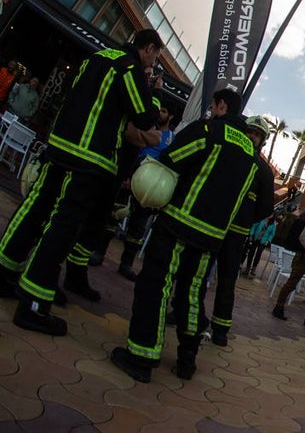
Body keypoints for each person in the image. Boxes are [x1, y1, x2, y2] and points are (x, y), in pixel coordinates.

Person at [0, 31, 162, 336]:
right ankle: (33, 301)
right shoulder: (129, 67)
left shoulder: (97, 57)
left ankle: (5, 271)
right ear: (148, 48)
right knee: (63, 224)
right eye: (155, 56)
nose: (153, 63)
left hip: (60, 144)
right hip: (90, 157)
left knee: (35, 207)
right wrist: (152, 92)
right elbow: (144, 116)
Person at [109, 87, 259, 383]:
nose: (211, 110)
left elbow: (172, 158)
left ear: (221, 105)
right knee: (191, 294)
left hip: (180, 222)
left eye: (213, 106)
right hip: (213, 236)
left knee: (156, 284)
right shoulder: (251, 154)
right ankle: (187, 357)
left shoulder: (209, 130)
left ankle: (141, 355)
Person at [205, 115, 275, 346]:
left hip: (236, 233)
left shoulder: (264, 171)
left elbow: (265, 208)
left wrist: (245, 218)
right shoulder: (227, 155)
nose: (252, 136)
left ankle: (220, 328)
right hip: (213, 225)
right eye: (250, 131)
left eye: (257, 134)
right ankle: (183, 312)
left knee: (227, 279)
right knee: (199, 272)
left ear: (263, 141)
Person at [117, 105, 175, 280]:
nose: (160, 113)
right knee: (116, 212)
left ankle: (126, 264)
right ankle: (99, 251)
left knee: (138, 225)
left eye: (164, 111)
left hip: (149, 184)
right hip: (130, 174)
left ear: (170, 117)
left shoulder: (171, 139)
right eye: (160, 110)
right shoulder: (146, 127)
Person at [243, 212, 280, 277]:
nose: (270, 215)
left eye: (271, 214)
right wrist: (251, 235)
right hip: (255, 238)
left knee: (258, 254)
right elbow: (254, 227)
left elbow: (272, 234)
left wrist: (268, 241)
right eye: (269, 213)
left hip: (263, 241)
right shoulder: (261, 219)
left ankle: (253, 269)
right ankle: (247, 268)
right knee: (251, 253)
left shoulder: (273, 224)